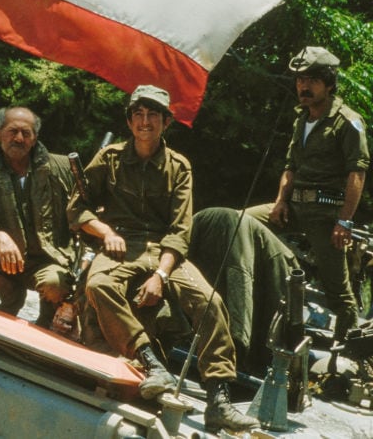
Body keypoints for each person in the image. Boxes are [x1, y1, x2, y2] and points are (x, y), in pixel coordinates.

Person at [67, 85, 258, 432]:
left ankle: (218, 398)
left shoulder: (179, 167)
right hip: (121, 243)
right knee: (98, 284)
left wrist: (161, 275)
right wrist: (106, 232)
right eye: (138, 114)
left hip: (163, 248)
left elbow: (180, 229)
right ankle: (150, 361)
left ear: (166, 121)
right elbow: (76, 208)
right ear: (129, 120)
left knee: (210, 302)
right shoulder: (109, 158)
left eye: (153, 114)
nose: (145, 121)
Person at [251, 46, 369, 342]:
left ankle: (350, 352)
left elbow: (357, 173)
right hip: (293, 207)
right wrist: (280, 201)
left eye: (312, 80)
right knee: (243, 221)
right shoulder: (300, 120)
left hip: (326, 214)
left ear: (329, 83)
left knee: (338, 291)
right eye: (301, 80)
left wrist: (345, 222)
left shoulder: (348, 121)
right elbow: (290, 167)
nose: (304, 86)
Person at [0, 107, 76, 324]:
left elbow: (85, 209)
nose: (19, 138)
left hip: (49, 260)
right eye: (12, 131)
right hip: (8, 261)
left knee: (54, 283)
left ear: (35, 138)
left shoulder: (62, 168)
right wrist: (0, 237)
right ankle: (11, 297)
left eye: (26, 133)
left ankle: (49, 317)